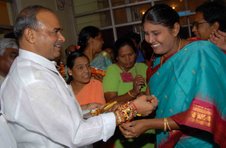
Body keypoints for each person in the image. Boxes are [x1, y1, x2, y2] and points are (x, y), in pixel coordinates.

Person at [0, 5, 157, 148]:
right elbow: (75, 134)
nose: (62, 38)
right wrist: (130, 109)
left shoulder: (36, 71)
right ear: (31, 35)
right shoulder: (32, 79)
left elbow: (53, 120)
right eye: (56, 31)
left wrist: (89, 111)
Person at [120, 4, 226, 147]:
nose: (150, 40)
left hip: (197, 141)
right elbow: (150, 97)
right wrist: (127, 111)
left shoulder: (200, 53)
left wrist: (149, 124)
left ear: (175, 29)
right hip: (166, 139)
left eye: (156, 33)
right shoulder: (156, 59)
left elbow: (204, 114)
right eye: (146, 33)